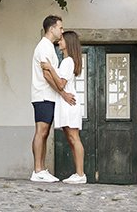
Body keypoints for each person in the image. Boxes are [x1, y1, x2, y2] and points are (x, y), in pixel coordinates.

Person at [30, 14, 75, 183]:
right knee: (41, 132)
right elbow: (47, 75)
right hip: (43, 95)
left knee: (44, 132)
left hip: (47, 96)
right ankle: (38, 170)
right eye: (60, 28)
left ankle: (40, 169)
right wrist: (63, 93)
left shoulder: (48, 47)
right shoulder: (44, 47)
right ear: (52, 28)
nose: (62, 31)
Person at [53, 30, 86, 184]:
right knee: (71, 138)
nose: (59, 42)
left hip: (68, 103)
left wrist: (49, 68)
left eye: (61, 40)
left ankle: (80, 174)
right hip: (66, 102)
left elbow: (61, 83)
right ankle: (78, 173)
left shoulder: (67, 62)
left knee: (74, 137)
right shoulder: (68, 61)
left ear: (68, 43)